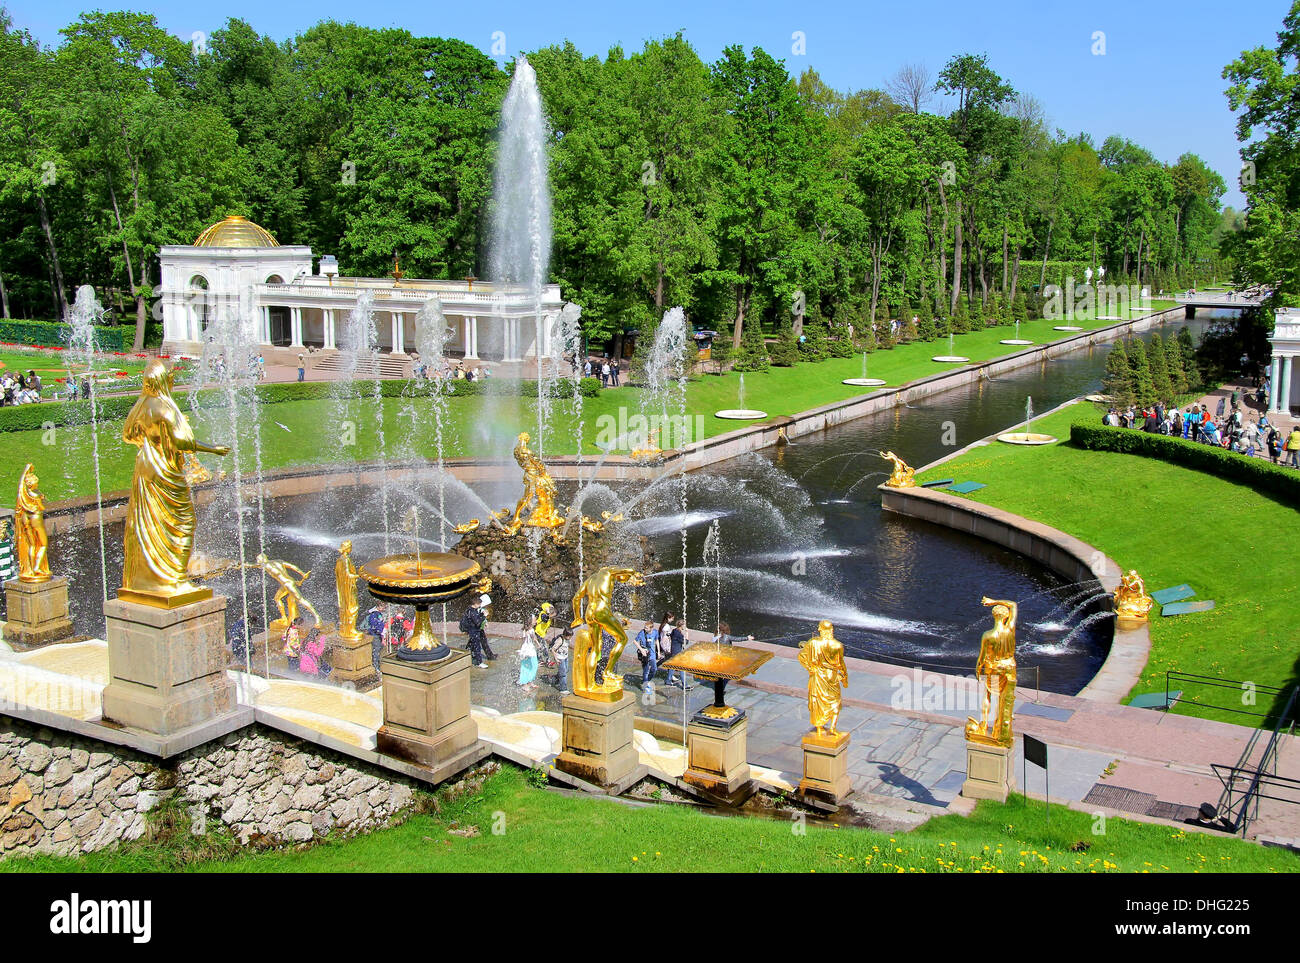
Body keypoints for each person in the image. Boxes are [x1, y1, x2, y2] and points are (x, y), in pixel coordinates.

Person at [664, 617, 692, 689]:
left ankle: (668, 681)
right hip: (677, 653)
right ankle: (685, 685)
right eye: (684, 625)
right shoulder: (679, 634)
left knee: (672, 667)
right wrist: (687, 633)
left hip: (674, 651)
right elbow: (686, 642)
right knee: (682, 669)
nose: (685, 627)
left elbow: (670, 636)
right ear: (682, 625)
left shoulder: (674, 630)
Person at [635, 620, 658, 688]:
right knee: (646, 671)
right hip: (644, 655)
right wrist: (641, 650)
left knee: (654, 669)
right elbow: (635, 641)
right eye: (644, 627)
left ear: (651, 628)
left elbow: (657, 640)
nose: (645, 629)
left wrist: (659, 652)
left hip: (652, 654)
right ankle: (645, 686)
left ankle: (647, 681)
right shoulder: (642, 632)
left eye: (646, 628)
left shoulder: (655, 632)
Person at [550, 625, 572, 694]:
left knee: (566, 670)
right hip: (559, 658)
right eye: (569, 636)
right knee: (563, 674)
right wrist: (556, 659)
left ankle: (554, 679)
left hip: (565, 657)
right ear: (565, 635)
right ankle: (563, 689)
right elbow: (553, 649)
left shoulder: (568, 639)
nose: (570, 637)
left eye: (571, 636)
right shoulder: (560, 640)